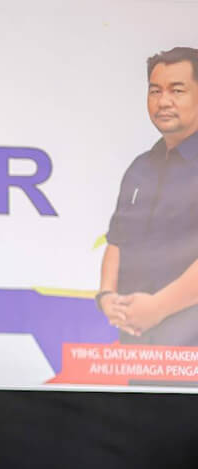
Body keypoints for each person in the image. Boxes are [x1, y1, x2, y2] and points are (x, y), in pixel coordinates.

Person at [98, 46, 198, 345]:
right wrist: (106, 295)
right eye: (155, 91)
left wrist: (158, 308)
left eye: (177, 90)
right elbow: (117, 239)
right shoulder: (140, 168)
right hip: (136, 341)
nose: (163, 101)